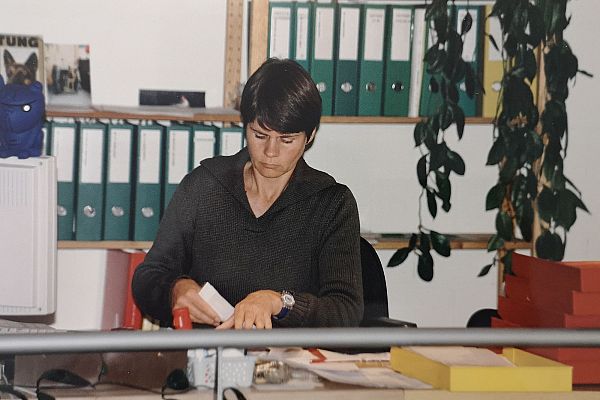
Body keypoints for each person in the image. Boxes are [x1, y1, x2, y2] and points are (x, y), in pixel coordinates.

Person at [132, 58, 363, 329]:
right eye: (259, 135)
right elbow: (147, 277)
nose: (271, 152)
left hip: (290, 353)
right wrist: (175, 290)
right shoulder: (204, 186)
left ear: (309, 136)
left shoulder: (331, 204)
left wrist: (280, 302)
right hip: (208, 349)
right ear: (245, 126)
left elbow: (346, 310)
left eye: (287, 140)